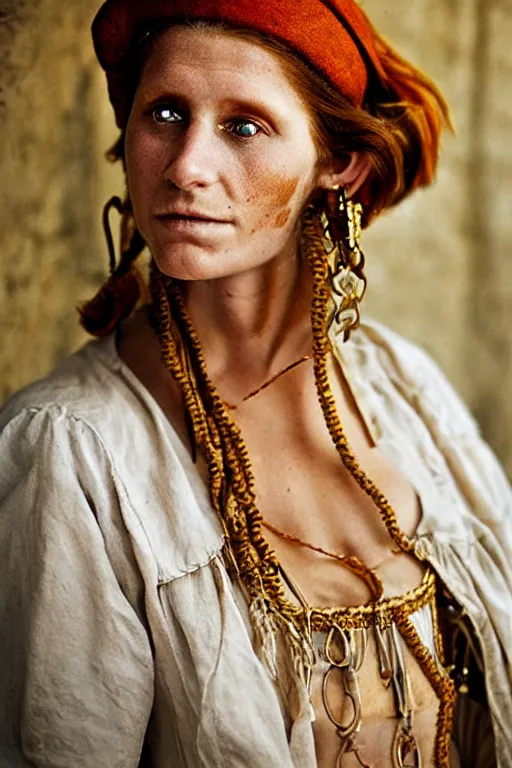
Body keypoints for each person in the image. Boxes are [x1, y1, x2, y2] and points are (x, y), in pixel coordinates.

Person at [0, 0, 511, 765]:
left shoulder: (405, 388)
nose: (185, 166)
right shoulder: (71, 454)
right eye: (165, 113)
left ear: (337, 165)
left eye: (244, 126)